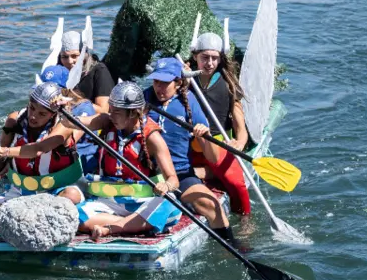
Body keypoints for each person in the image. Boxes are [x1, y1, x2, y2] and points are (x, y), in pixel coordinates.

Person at [76, 81, 183, 240]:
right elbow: (76, 122)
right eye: (110, 110)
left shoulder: (152, 137)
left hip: (143, 201)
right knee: (74, 215)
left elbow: (173, 179)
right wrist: (62, 111)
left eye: (116, 112)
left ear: (133, 113)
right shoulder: (107, 122)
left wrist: (166, 186)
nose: (111, 115)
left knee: (168, 205)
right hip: (109, 202)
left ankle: (110, 229)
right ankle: (130, 225)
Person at [145, 56, 235, 243]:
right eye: (156, 82)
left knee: (212, 205)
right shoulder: (144, 98)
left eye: (165, 83)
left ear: (178, 82)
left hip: (181, 175)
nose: (159, 88)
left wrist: (204, 136)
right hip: (146, 175)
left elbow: (213, 157)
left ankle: (231, 249)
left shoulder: (190, 102)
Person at [0, 81, 86, 226]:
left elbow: (38, 149)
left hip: (57, 190)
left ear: (53, 114)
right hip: (21, 191)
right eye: (31, 108)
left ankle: (23, 219)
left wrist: (5, 152)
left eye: (42, 114)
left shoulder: (64, 125)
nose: (33, 116)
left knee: (72, 196)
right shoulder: (15, 119)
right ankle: (39, 219)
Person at [187, 31, 252, 215]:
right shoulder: (185, 81)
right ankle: (206, 173)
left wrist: (239, 143)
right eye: (204, 57)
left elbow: (240, 126)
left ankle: (245, 221)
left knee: (236, 184)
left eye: (214, 58)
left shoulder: (228, 84)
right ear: (195, 57)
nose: (209, 63)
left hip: (218, 144)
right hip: (190, 143)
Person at [56, 31, 116, 109]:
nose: (69, 61)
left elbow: (103, 110)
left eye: (74, 56)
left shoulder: (99, 72)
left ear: (84, 54)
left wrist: (73, 100)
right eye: (64, 57)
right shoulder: (58, 70)